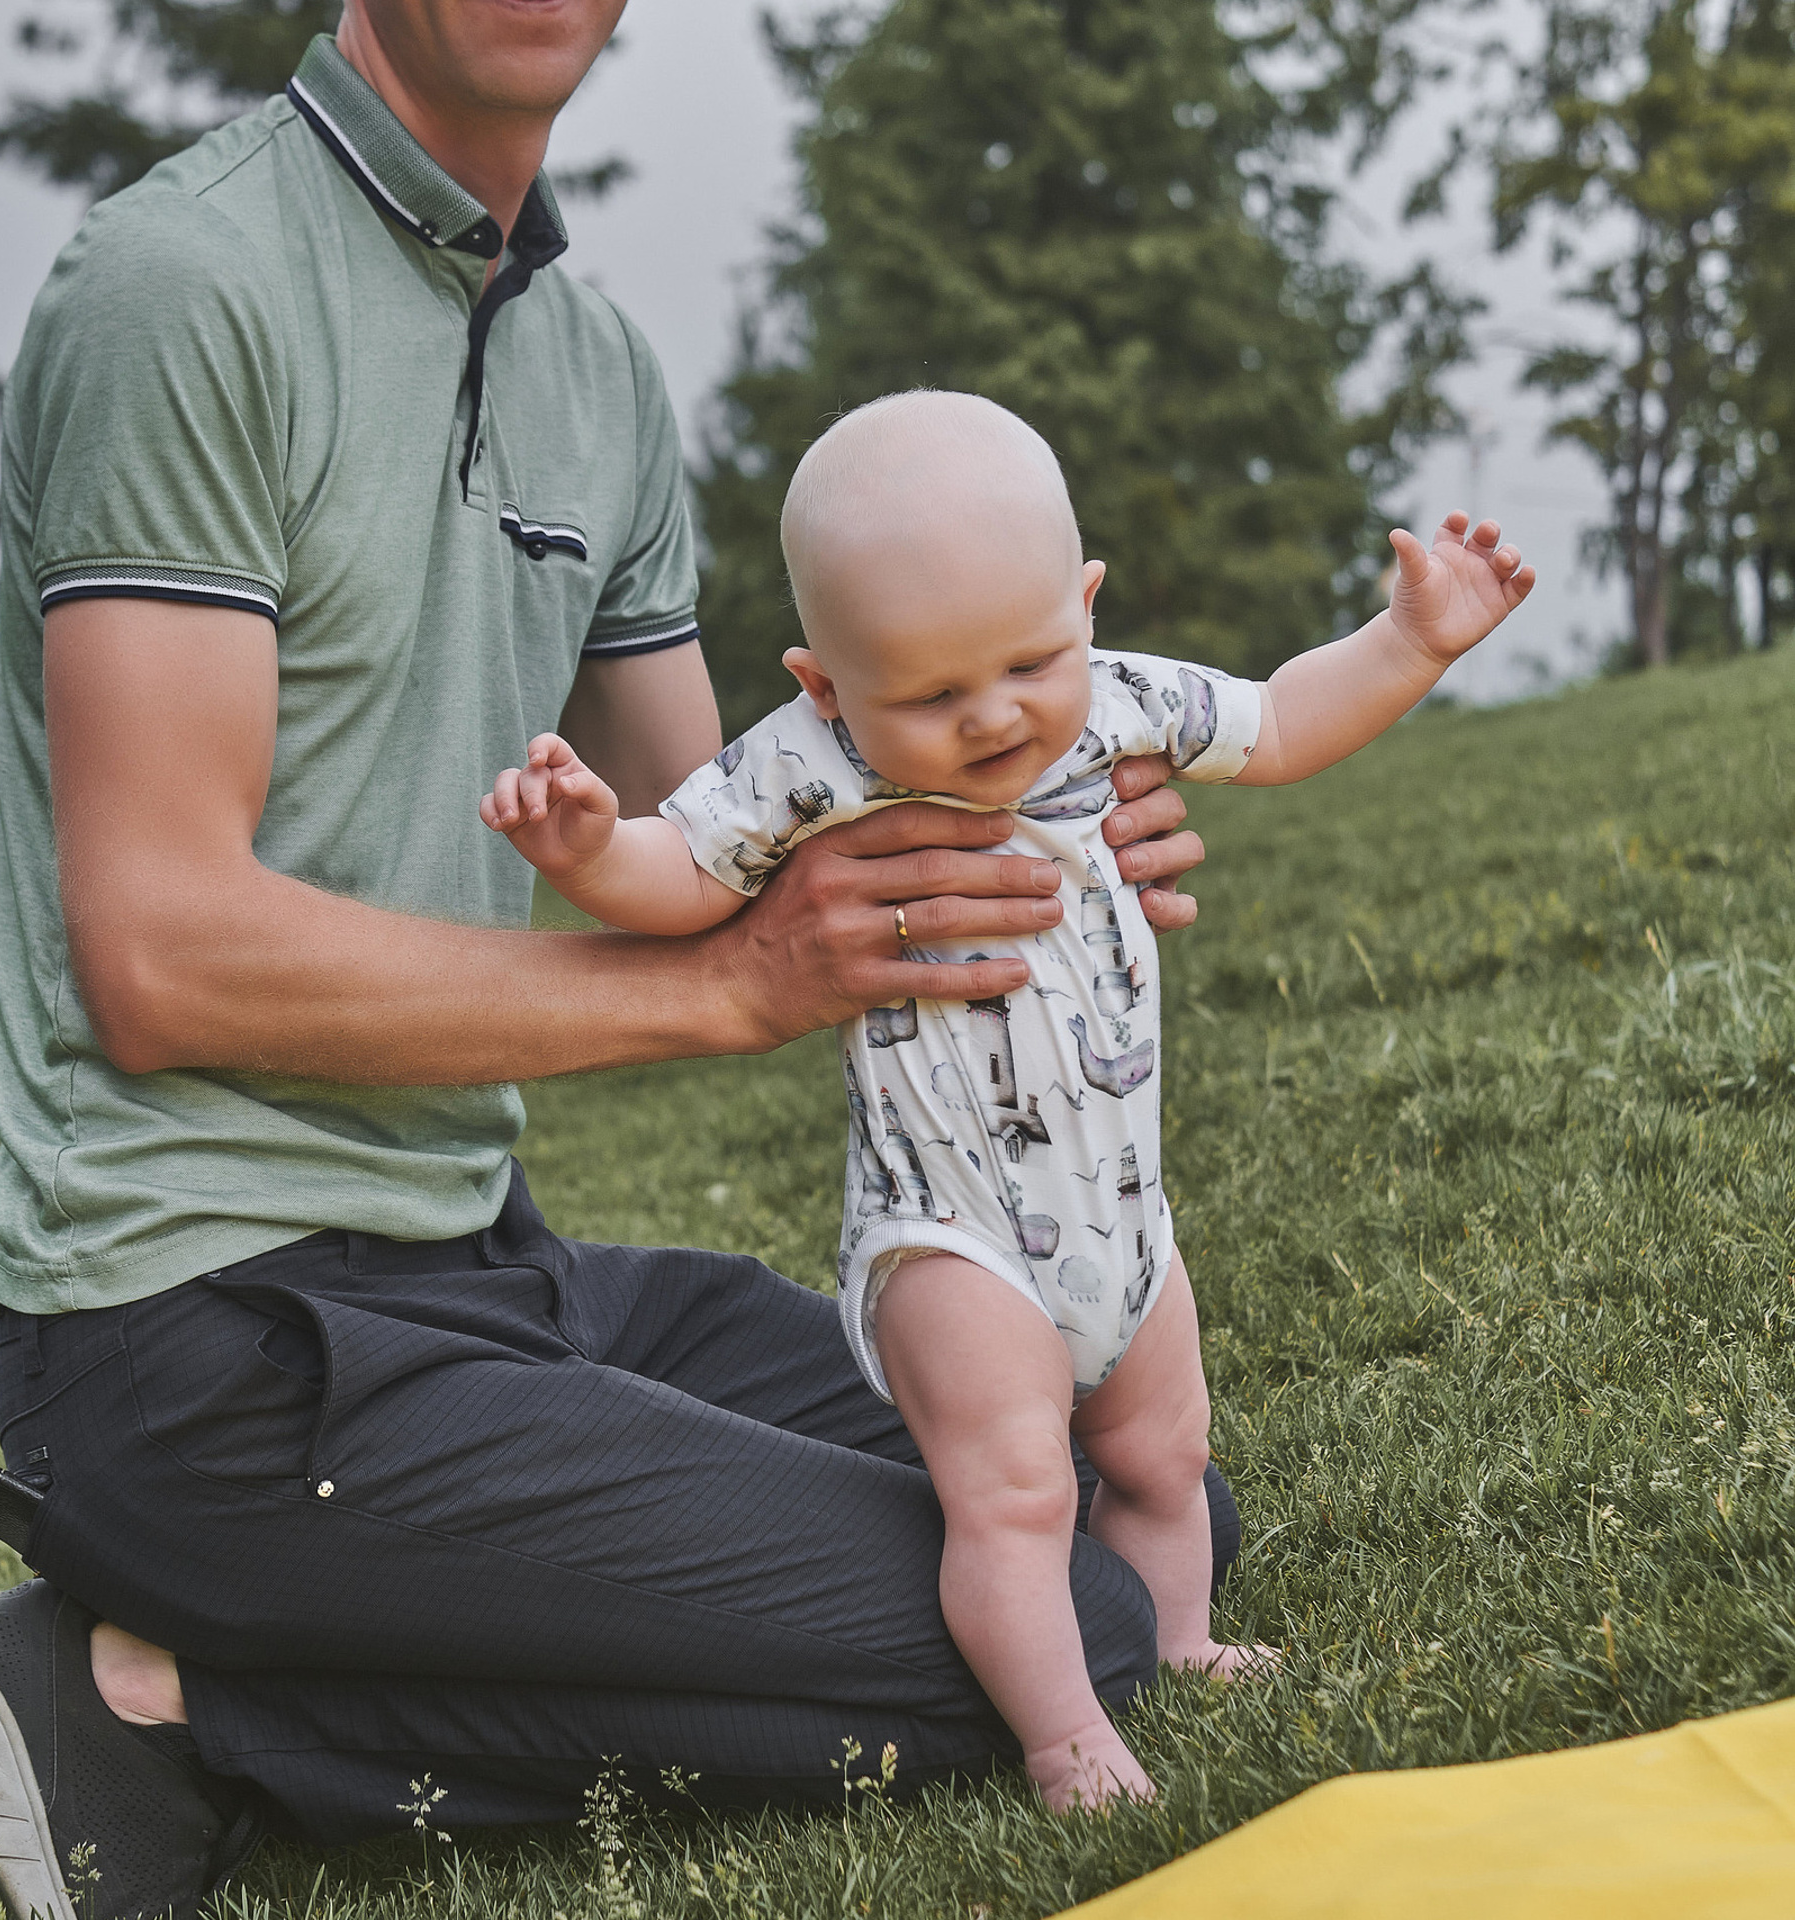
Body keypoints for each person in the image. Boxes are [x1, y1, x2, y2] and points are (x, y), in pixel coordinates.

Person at [0, 7, 1232, 1919]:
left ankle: (220, 1674)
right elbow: (159, 953)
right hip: (202, 1342)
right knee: (1057, 1636)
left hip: (495, 1277)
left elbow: (727, 836)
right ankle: (143, 1694)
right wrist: (730, 990)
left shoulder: (594, 373)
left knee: (1118, 1506)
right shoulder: (180, 286)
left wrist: (1036, 825)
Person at [484, 391, 1535, 1809]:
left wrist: (1411, 641)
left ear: (1083, 605)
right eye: (926, 694)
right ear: (826, 683)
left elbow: (1283, 721)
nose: (992, 716)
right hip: (953, 1237)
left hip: (1121, 1217)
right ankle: (1066, 1740)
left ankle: (1175, 1643)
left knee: (1167, 1460)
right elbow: (682, 873)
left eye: (1030, 660)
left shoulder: (1115, 702)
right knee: (1017, 1497)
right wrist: (590, 847)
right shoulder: (811, 766)